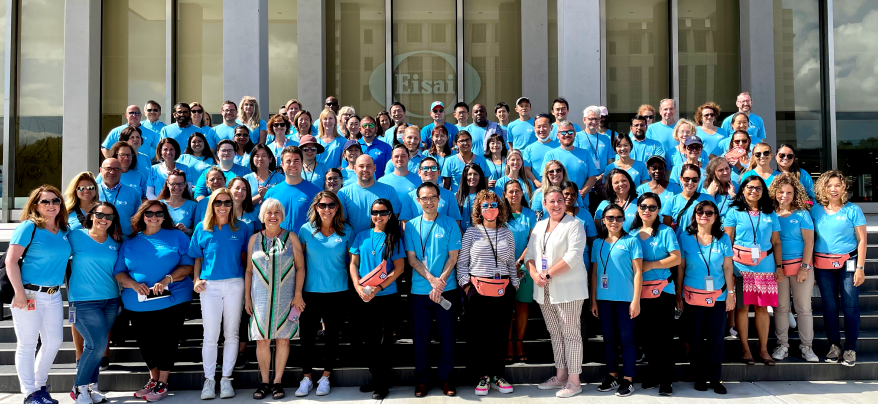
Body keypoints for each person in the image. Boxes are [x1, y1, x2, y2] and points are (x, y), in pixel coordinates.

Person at [113, 201, 194, 402]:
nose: (154, 216)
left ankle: (163, 383)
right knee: (145, 342)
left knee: (167, 339)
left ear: (165, 216)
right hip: (137, 302)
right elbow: (119, 272)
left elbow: (189, 266)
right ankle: (153, 379)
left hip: (172, 298)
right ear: (142, 215)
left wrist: (168, 278)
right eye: (149, 213)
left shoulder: (177, 236)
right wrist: (131, 283)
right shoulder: (130, 241)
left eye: (158, 213)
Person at [6, 185, 71, 404]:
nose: (51, 205)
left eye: (56, 201)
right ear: (36, 205)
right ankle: (30, 392)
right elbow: (11, 261)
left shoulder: (63, 230)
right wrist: (19, 293)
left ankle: (39, 385)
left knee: (54, 341)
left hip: (53, 295)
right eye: (46, 201)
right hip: (28, 294)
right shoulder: (28, 227)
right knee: (27, 344)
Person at [526, 187, 588, 398]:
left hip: (568, 289)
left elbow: (573, 256)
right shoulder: (539, 226)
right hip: (543, 289)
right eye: (551, 201)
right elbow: (530, 255)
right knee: (555, 333)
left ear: (565, 202)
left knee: (571, 335)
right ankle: (561, 376)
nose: (556, 204)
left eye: (560, 200)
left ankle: (574, 380)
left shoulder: (575, 224)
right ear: (544, 204)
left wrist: (548, 275)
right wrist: (534, 274)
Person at [190, 189, 251, 399]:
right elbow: (197, 258)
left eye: (227, 202)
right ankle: (209, 380)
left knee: (232, 334)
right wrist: (196, 280)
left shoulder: (242, 228)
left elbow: (245, 259)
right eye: (218, 202)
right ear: (212, 204)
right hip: (210, 286)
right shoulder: (202, 228)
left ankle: (226, 380)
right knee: (210, 336)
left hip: (235, 284)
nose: (223, 206)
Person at [457, 190, 518, 396]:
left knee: (500, 334)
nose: (490, 209)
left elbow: (511, 262)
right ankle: (482, 376)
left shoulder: (507, 232)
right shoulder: (471, 233)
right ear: (479, 210)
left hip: (502, 289)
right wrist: (467, 287)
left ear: (499, 209)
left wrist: (515, 285)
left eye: (493, 205)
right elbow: (462, 263)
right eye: (485, 206)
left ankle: (497, 374)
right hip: (478, 291)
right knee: (480, 335)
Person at [405, 182, 462, 397]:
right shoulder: (410, 226)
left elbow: (453, 257)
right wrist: (431, 279)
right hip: (420, 292)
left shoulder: (450, 224)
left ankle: (446, 379)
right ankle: (422, 380)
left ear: (440, 199)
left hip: (447, 289)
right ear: (418, 201)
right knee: (421, 338)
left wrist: (440, 282)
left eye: (433, 197)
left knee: (448, 337)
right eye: (424, 198)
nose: (429, 202)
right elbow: (411, 258)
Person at [245, 199, 305, 400]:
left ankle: (278, 381)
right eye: (269, 212)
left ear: (282, 215)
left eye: (277, 212)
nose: (273, 216)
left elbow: (300, 268)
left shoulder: (292, 237)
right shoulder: (254, 239)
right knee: (262, 341)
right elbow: (248, 271)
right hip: (260, 298)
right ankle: (264, 381)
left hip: (285, 297)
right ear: (262, 215)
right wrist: (247, 298)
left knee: (283, 339)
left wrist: (298, 294)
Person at [295, 192, 353, 397]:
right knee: (307, 337)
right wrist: (297, 292)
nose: (327, 209)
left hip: (338, 291)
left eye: (331, 205)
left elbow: (353, 262)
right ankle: (307, 377)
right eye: (322, 205)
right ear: (316, 207)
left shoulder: (347, 231)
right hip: (310, 292)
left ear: (337, 208)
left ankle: (326, 376)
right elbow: (299, 263)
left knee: (331, 336)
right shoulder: (305, 231)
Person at [349, 199, 406, 400]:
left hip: (386, 296)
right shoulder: (361, 236)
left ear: (390, 215)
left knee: (384, 342)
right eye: (375, 212)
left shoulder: (394, 238)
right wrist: (358, 287)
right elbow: (354, 263)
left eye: (383, 212)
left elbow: (399, 268)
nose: (378, 216)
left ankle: (383, 382)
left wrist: (378, 287)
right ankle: (375, 377)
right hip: (364, 296)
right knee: (369, 340)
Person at [724, 175, 783, 366]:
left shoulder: (770, 212)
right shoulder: (733, 211)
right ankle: (745, 349)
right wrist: (729, 268)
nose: (754, 191)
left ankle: (763, 350)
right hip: (740, 267)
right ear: (743, 189)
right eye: (750, 187)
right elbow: (728, 241)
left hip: (765, 265)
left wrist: (779, 266)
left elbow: (776, 242)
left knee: (762, 308)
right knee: (742, 308)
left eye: (758, 188)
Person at [67, 202, 123, 404]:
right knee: (97, 344)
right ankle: (78, 388)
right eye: (100, 214)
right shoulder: (75, 236)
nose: (104, 219)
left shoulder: (115, 243)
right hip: (82, 301)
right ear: (91, 216)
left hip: (109, 299)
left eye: (109, 216)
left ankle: (91, 387)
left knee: (97, 345)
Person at [678, 200, 734, 394]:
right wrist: (678, 294)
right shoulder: (685, 238)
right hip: (692, 296)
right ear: (694, 215)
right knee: (695, 339)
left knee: (716, 339)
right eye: (700, 212)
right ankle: (699, 377)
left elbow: (727, 267)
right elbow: (681, 267)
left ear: (715, 216)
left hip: (718, 296)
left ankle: (715, 379)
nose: (704, 215)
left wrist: (731, 294)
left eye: (709, 212)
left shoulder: (723, 238)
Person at [811, 170, 866, 366]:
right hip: (822, 265)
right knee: (830, 307)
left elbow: (862, 241)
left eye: (837, 185)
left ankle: (850, 348)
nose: (833, 189)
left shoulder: (853, 210)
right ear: (823, 188)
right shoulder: (815, 210)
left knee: (850, 307)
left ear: (844, 188)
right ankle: (834, 346)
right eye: (829, 185)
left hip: (848, 263)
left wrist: (860, 268)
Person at [629, 193, 680, 395]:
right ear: (638, 209)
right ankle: (653, 373)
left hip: (663, 292)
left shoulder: (666, 231)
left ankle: (666, 380)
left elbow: (676, 259)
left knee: (665, 338)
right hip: (639, 293)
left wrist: (650, 265)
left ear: (658, 210)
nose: (647, 210)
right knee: (646, 338)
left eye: (652, 207)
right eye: (643, 206)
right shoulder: (630, 232)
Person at [590, 203, 642, 397]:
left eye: (618, 218)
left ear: (623, 220)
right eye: (610, 218)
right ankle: (612, 376)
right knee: (609, 340)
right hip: (604, 299)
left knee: (628, 340)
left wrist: (635, 300)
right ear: (604, 220)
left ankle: (627, 380)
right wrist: (594, 300)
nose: (614, 222)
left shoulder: (632, 241)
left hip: (625, 299)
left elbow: (638, 273)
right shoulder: (598, 243)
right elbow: (594, 273)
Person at [768, 173, 818, 362]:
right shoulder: (770, 213)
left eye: (789, 192)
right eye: (781, 192)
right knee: (781, 308)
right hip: (778, 269)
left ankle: (807, 347)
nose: (784, 196)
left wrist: (804, 267)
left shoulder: (802, 214)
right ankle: (783, 345)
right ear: (775, 192)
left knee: (803, 308)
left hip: (801, 268)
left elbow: (809, 242)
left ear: (794, 193)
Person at [502, 180, 537, 365]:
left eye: (517, 191)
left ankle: (519, 344)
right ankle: (508, 345)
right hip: (503, 267)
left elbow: (532, 241)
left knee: (522, 305)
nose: (514, 194)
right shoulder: (500, 214)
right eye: (510, 191)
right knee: (507, 306)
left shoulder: (530, 214)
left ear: (523, 193)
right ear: (505, 194)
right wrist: (509, 263)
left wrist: (519, 261)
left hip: (524, 266)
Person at [337, 154, 403, 235]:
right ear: (355, 169)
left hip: (383, 242)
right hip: (354, 244)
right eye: (361, 166)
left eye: (369, 166)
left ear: (374, 168)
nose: (365, 169)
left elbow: (394, 218)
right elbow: (342, 222)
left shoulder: (389, 190)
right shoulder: (343, 193)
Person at [264, 146, 322, 233]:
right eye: (288, 161)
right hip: (279, 244)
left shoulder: (317, 192)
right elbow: (264, 222)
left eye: (296, 160)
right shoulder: (271, 193)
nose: (292, 164)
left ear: (302, 163)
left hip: (305, 244)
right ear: (282, 165)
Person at [545, 120, 600, 208]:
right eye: (563, 132)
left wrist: (582, 192)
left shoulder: (585, 153)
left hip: (581, 206)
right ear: (558, 135)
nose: (567, 135)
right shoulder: (551, 154)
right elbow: (547, 178)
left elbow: (593, 177)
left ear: (574, 134)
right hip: (558, 206)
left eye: (570, 132)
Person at [399, 157, 462, 223]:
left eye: (433, 168)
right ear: (419, 172)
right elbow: (405, 225)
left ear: (438, 172)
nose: (429, 171)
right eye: (425, 168)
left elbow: (455, 223)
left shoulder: (449, 195)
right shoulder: (409, 197)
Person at [661, 164, 712, 235]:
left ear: (699, 180)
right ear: (681, 179)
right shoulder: (671, 201)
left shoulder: (708, 199)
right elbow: (666, 230)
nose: (690, 183)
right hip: (680, 244)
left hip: (704, 244)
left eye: (694, 180)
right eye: (687, 179)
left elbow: (715, 222)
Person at [98, 158, 143, 236]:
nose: (112, 172)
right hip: (99, 241)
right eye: (108, 168)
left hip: (125, 241)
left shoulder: (133, 193)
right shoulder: (92, 191)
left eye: (116, 169)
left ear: (121, 171)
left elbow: (138, 219)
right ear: (101, 170)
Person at [157, 169, 197, 236]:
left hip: (183, 244)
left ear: (185, 185)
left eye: (180, 184)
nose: (177, 187)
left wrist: (186, 230)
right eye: (173, 184)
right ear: (167, 184)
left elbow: (198, 232)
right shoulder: (158, 205)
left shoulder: (193, 206)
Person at [523, 114, 560, 184]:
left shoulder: (559, 146)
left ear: (551, 128)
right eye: (538, 127)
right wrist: (536, 182)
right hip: (537, 189)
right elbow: (526, 169)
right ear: (534, 129)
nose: (541, 129)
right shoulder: (529, 149)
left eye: (544, 126)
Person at [244, 143, 283, 209]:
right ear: (252, 159)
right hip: (250, 219)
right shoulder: (246, 179)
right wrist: (260, 196)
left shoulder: (280, 179)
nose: (260, 158)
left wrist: (268, 194)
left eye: (264, 156)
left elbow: (284, 201)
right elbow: (242, 205)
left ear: (270, 159)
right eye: (257, 156)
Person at [577, 106, 614, 174]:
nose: (594, 122)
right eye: (591, 119)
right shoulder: (577, 137)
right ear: (584, 119)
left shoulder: (606, 139)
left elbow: (610, 162)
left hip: (602, 180)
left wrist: (603, 177)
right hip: (584, 179)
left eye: (597, 119)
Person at [701, 157, 738, 223]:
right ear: (713, 173)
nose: (726, 172)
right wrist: (710, 195)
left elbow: (744, 209)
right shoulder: (706, 191)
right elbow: (701, 213)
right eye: (720, 170)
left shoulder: (736, 187)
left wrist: (733, 196)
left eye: (727, 168)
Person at [456, 163, 488, 231]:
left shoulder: (486, 196)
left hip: (481, 236)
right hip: (461, 235)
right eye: (469, 174)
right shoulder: (456, 196)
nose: (472, 177)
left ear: (480, 177)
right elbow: (455, 221)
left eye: (475, 174)